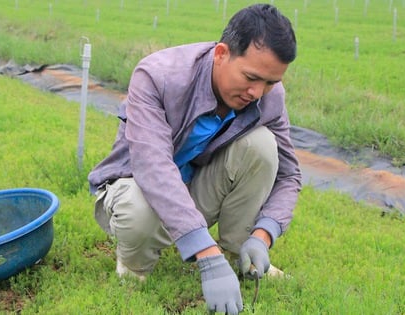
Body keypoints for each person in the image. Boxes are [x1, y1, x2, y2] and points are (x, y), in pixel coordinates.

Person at [88, 3, 301, 314]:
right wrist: (205, 253)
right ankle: (134, 267)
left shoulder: (269, 96)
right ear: (221, 54)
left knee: (262, 147)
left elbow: (289, 174)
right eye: (251, 77)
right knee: (138, 209)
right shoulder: (158, 77)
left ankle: (240, 252)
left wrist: (263, 233)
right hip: (136, 187)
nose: (258, 92)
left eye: (270, 82)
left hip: (196, 188)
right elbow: (153, 168)